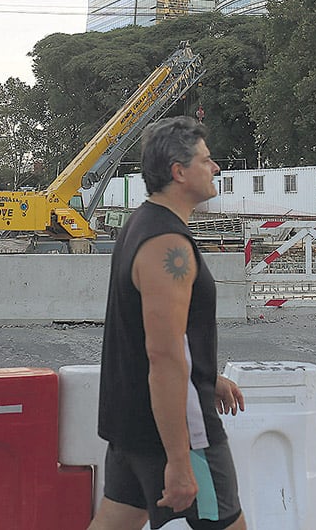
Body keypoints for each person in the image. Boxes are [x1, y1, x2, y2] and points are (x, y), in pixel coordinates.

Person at [90, 116, 247, 530]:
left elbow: (156, 334)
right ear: (179, 172)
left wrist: (207, 376)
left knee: (115, 521)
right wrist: (180, 461)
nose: (215, 168)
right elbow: (163, 355)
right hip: (176, 434)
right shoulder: (168, 245)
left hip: (132, 422)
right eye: (206, 160)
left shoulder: (141, 224)